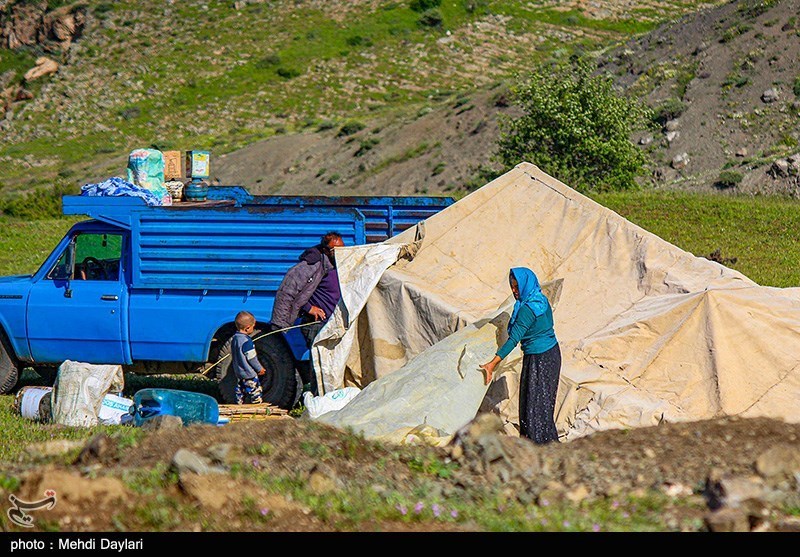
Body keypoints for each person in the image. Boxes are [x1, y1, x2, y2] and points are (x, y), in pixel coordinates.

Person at [479, 267, 561, 444]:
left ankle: (539, 449)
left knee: (534, 408)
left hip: (540, 360)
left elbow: (513, 339)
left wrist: (492, 363)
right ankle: (547, 446)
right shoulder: (540, 300)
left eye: (517, 287)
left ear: (525, 285)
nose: (514, 291)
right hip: (551, 355)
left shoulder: (527, 309)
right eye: (512, 287)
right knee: (541, 406)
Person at [270, 231, 345, 393]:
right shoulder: (313, 264)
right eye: (335, 250)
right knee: (320, 364)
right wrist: (308, 308)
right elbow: (290, 289)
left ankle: (330, 398)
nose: (339, 253)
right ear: (326, 250)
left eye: (342, 249)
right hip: (316, 324)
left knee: (334, 364)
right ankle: (319, 399)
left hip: (334, 323)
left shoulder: (341, 264)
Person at [231, 310, 266, 405]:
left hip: (239, 372)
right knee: (255, 391)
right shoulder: (247, 341)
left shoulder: (235, 339)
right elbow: (252, 358)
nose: (253, 329)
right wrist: (259, 368)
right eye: (253, 327)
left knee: (240, 391)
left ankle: (239, 405)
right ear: (247, 328)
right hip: (249, 373)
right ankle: (257, 406)